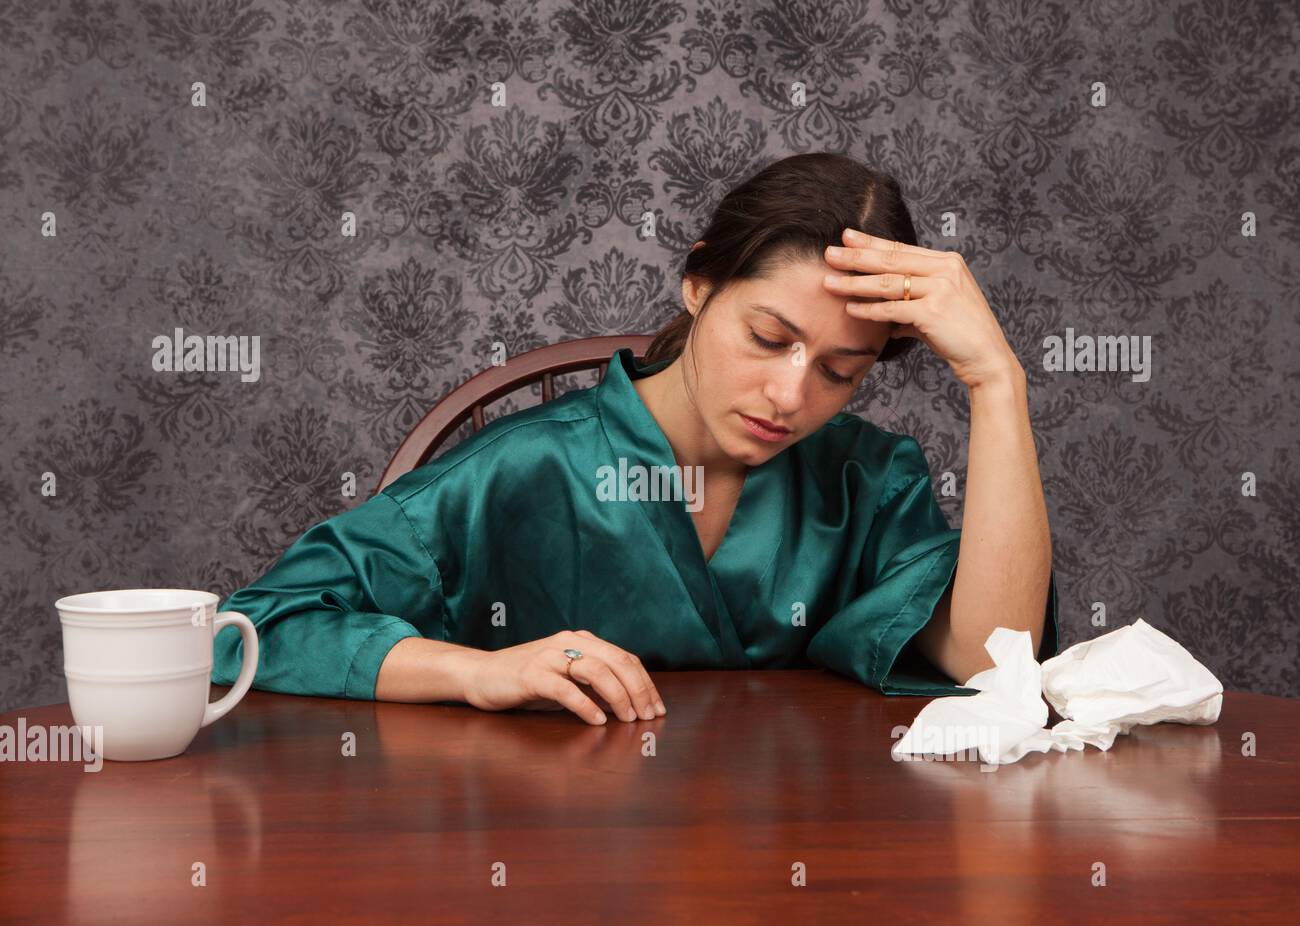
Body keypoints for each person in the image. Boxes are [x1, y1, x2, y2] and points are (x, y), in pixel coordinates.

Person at [213, 152, 1059, 726]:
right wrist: (477, 671)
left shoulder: (866, 484)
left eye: (841, 372)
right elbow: (249, 629)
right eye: (768, 337)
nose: (790, 394)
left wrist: (998, 381)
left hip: (800, 877)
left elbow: (998, 664)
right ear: (699, 284)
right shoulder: (519, 471)